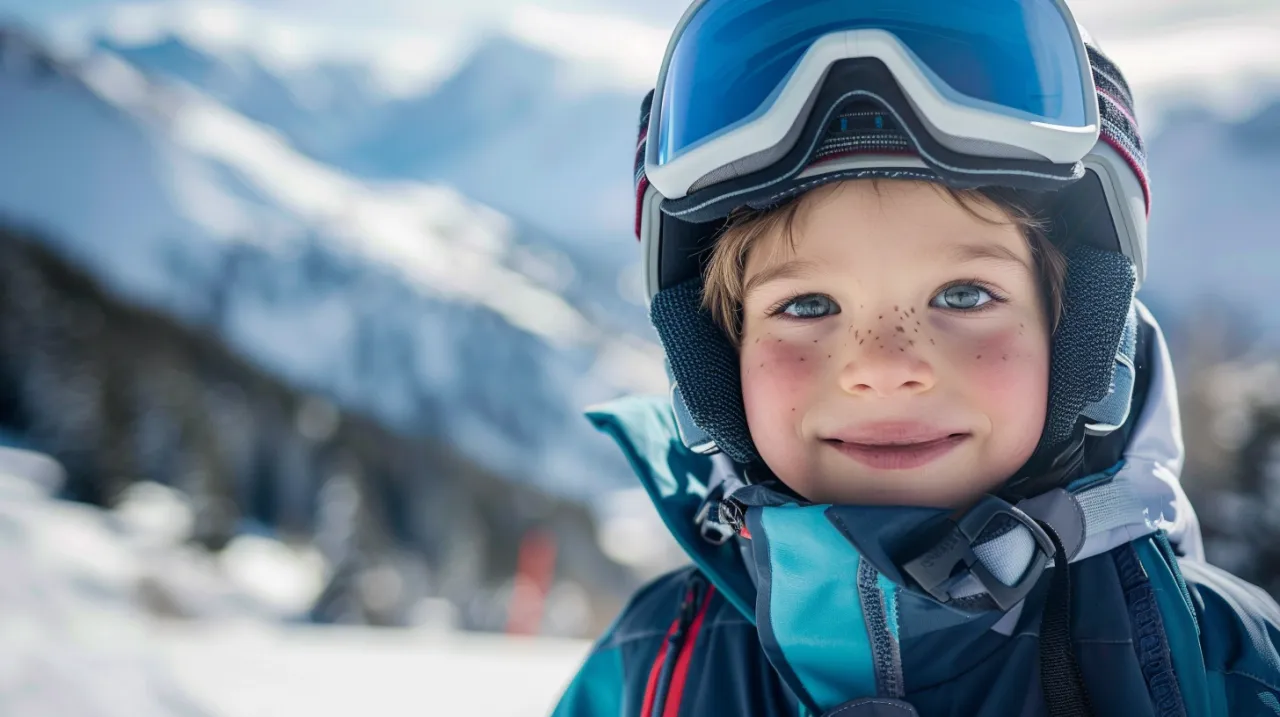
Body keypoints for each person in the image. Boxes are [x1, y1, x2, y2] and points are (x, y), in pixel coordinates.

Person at [553, 1, 1280, 714]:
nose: (884, 367)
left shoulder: (1232, 671)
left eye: (963, 295)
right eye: (807, 306)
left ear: (1077, 336)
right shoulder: (648, 672)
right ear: (715, 356)